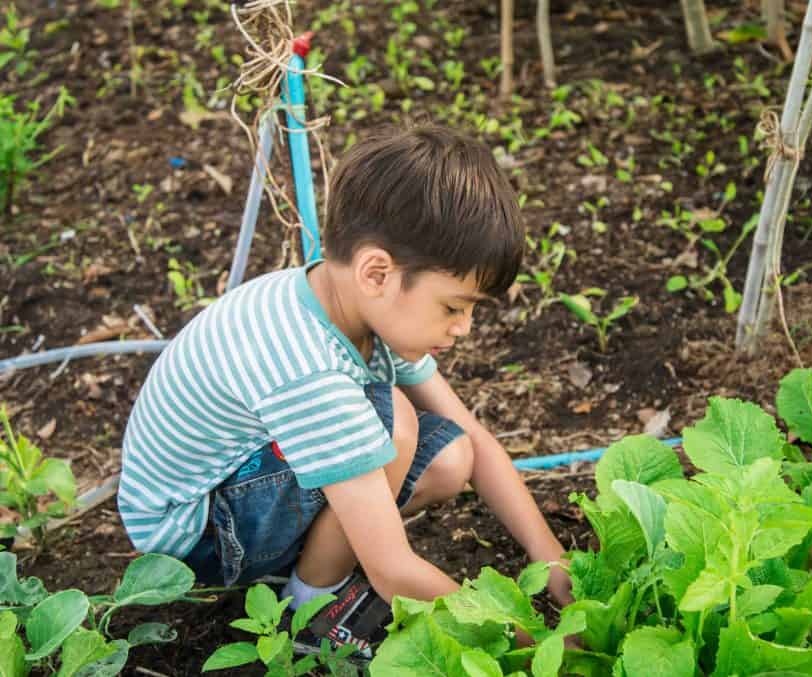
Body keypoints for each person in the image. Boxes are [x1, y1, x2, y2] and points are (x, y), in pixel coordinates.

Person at [116, 124, 572, 659]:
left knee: (452, 457)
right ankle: (312, 607)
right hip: (197, 537)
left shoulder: (351, 301)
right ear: (376, 271)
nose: (464, 327)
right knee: (393, 425)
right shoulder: (307, 369)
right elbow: (393, 569)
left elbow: (475, 436)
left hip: (236, 491)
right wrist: (538, 644)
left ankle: (314, 564)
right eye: (453, 306)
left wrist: (553, 558)